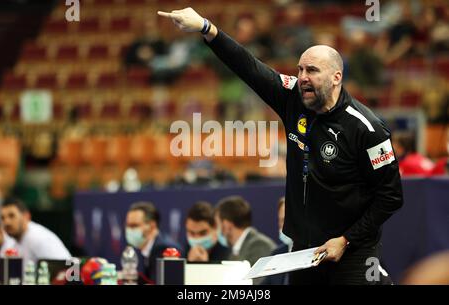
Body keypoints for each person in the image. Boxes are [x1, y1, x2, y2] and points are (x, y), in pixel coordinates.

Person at [158, 7, 404, 285]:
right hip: (303, 253)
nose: (302, 77)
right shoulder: (293, 99)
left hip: (352, 254)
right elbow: (249, 67)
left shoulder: (366, 128)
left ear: (336, 77)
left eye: (312, 70)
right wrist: (207, 28)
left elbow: (391, 196)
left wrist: (346, 240)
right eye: (300, 69)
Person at [125, 201, 183, 283]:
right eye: (127, 225)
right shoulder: (149, 249)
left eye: (134, 225)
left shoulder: (165, 249)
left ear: (152, 226)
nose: (129, 230)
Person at [0, 197, 71, 264]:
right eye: (3, 218)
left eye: (12, 216)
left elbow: (69, 268)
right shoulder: (11, 238)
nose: (6, 222)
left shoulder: (39, 238)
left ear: (26, 216)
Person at [213, 196, 275, 269]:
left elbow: (258, 280)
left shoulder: (259, 246)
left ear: (226, 225)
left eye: (217, 224)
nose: (216, 230)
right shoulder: (235, 250)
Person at [261, 197, 293, 285]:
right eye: (282, 220)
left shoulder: (314, 254)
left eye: (287, 220)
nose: (284, 225)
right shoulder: (276, 255)